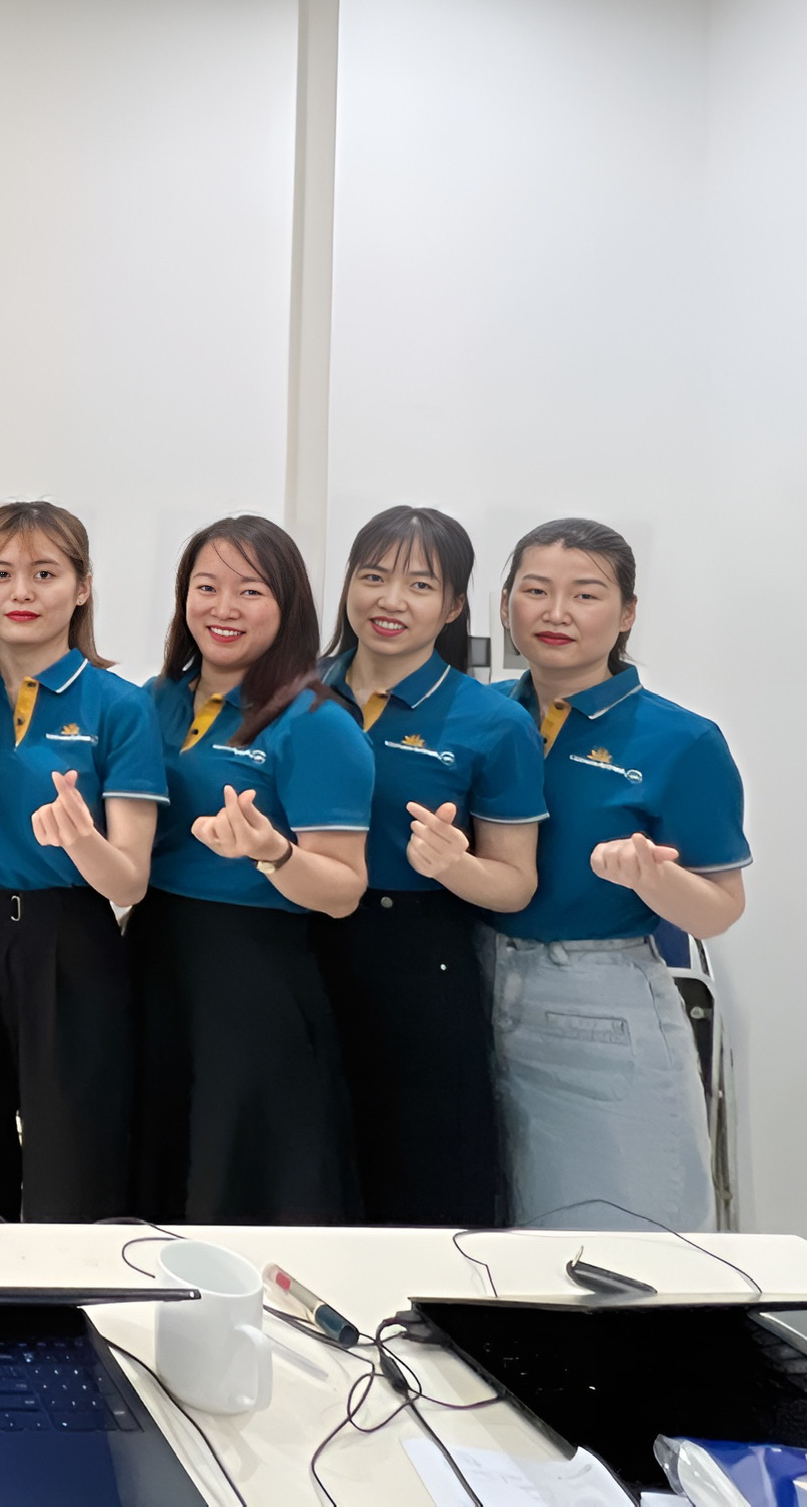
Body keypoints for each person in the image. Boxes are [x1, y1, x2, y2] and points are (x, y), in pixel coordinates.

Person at [489, 518, 748, 1232]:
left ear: (627, 613)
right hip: (470, 986)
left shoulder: (681, 740)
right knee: (481, 1245)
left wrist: (650, 878)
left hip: (594, 1004)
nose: (556, 613)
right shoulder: (480, 717)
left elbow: (720, 908)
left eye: (585, 594)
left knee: (620, 1243)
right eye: (535, 590)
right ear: (505, 603)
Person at [0, 501, 162, 1223]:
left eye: (45, 574)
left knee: (73, 1165)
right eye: (1, 574)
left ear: (82, 587)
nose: (20, 592)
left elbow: (130, 880)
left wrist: (82, 839)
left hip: (71, 939)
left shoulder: (120, 705)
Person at [135, 514, 374, 1224]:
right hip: (153, 952)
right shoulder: (157, 699)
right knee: (155, 1163)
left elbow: (343, 889)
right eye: (206, 587)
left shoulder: (315, 721)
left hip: (253, 972)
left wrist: (273, 852)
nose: (224, 608)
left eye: (250, 591)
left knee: (236, 1177)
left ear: (287, 605)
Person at [314, 506, 544, 1227]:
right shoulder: (292, 693)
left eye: (419, 585)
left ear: (452, 607)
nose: (390, 600)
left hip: (418, 958)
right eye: (373, 577)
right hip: (296, 945)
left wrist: (453, 865)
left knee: (419, 1178)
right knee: (306, 1166)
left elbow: (515, 883)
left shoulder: (493, 722)